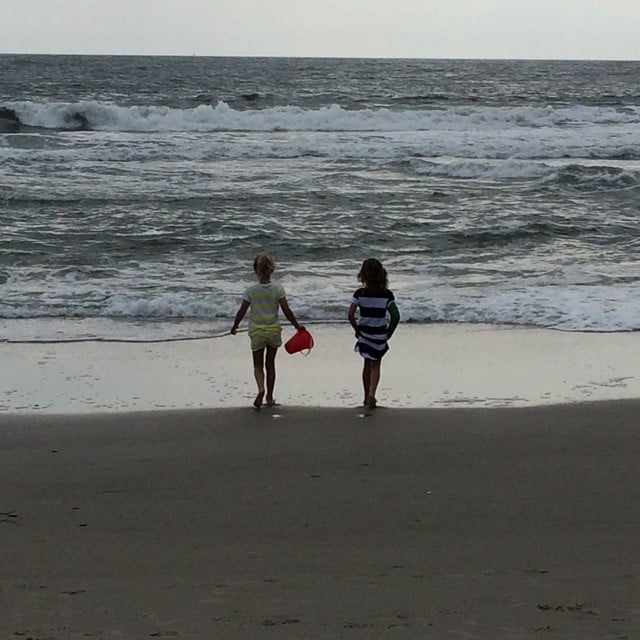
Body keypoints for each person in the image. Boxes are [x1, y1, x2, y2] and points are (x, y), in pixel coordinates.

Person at [230, 253, 302, 409]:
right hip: (273, 331)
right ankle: (269, 397)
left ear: (255, 270)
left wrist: (235, 325)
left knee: (258, 366)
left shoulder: (251, 291)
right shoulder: (278, 289)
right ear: (272, 269)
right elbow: (286, 310)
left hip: (256, 331)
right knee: (270, 365)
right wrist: (297, 325)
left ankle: (260, 388)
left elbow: (242, 311)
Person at [348, 258, 400, 410]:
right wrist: (388, 333)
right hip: (379, 335)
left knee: (366, 365)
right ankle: (372, 395)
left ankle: (365, 397)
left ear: (363, 275)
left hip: (365, 334)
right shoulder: (387, 295)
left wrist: (356, 329)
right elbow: (396, 316)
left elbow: (350, 313)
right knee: (376, 366)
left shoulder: (360, 294)